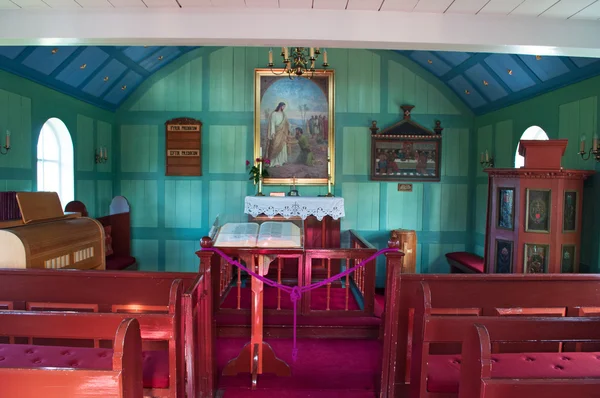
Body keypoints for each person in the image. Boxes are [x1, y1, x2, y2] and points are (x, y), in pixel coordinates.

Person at [267, 102, 289, 167]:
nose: (284, 108)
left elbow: (286, 123)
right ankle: (275, 162)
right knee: (275, 146)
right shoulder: (274, 114)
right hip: (276, 132)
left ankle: (282, 160)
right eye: (283, 106)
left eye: (284, 107)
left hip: (282, 133)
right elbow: (272, 124)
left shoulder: (283, 114)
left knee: (282, 145)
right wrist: (272, 132)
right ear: (280, 106)